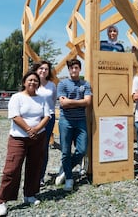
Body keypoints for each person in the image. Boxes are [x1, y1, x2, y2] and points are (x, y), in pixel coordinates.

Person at [0, 71, 51, 216]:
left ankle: (30, 195)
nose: (33, 82)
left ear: (39, 84)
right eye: (30, 80)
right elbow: (14, 116)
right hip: (18, 138)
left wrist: (36, 129)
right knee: (12, 169)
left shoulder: (42, 99)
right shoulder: (17, 97)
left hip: (38, 138)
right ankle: (2, 201)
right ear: (24, 82)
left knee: (35, 166)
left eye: (36, 81)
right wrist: (28, 129)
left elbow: (47, 116)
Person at [55, 59, 92, 191]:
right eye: (71, 68)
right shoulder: (62, 84)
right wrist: (79, 101)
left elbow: (88, 102)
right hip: (66, 121)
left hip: (80, 120)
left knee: (82, 150)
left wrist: (71, 102)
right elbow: (63, 103)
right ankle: (69, 179)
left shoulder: (85, 84)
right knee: (65, 151)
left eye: (76, 68)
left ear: (80, 69)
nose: (74, 70)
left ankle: (66, 168)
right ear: (69, 70)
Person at [31, 60, 57, 187]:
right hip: (34, 117)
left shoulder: (52, 85)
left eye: (46, 69)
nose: (43, 71)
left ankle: (40, 176)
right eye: (41, 68)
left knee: (43, 147)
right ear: (36, 70)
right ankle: (31, 175)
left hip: (49, 117)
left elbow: (53, 101)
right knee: (32, 146)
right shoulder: (32, 84)